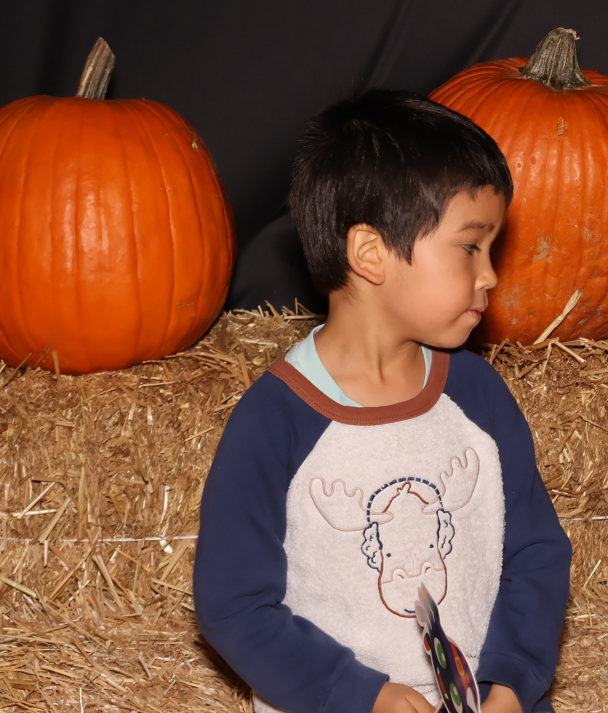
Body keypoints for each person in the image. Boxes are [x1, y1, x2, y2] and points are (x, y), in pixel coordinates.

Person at [195, 90, 571, 713]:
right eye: (470, 246)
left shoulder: (477, 395)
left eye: (492, 249)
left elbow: (536, 553)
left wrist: (511, 684)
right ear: (370, 253)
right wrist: (360, 695)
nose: (490, 275)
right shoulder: (275, 420)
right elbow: (233, 605)